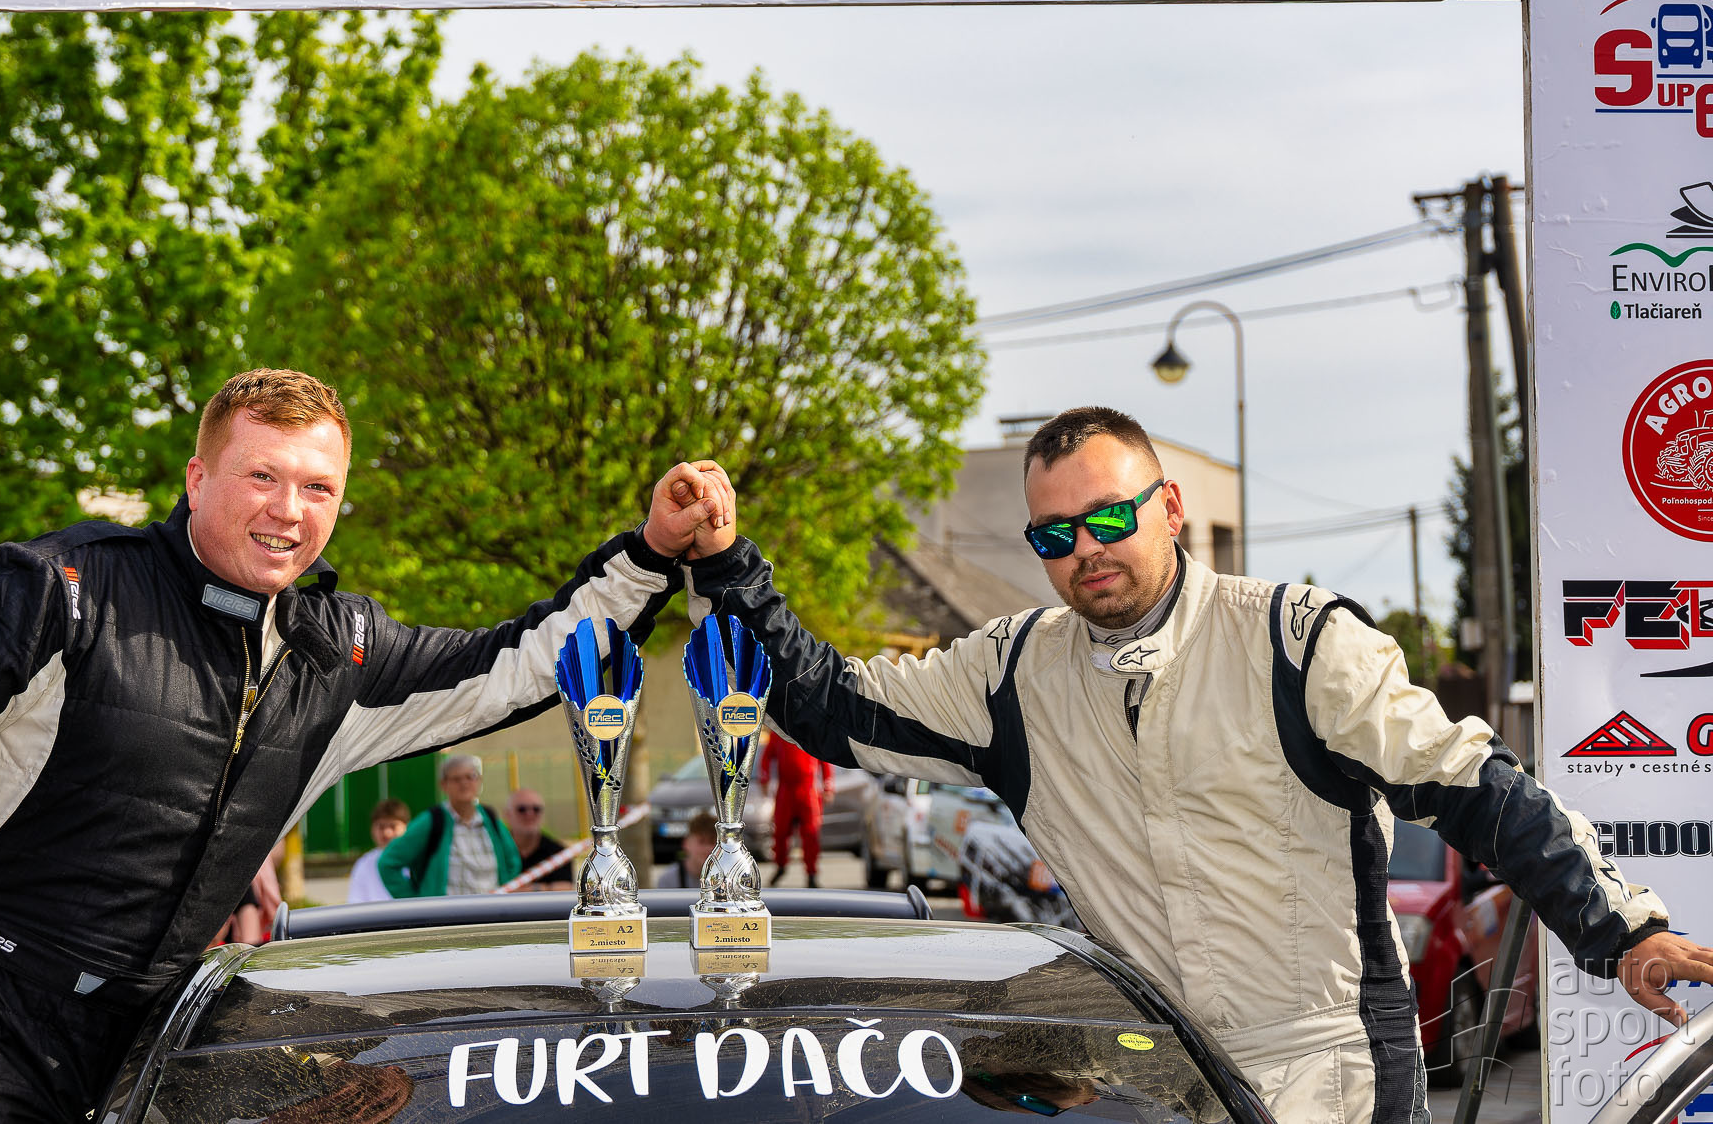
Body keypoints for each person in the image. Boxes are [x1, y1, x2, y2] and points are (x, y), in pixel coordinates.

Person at [662, 408, 1713, 1124]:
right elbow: (826, 701)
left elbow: (1474, 786)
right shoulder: (1009, 672)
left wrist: (1618, 928)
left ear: (1168, 508)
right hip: (1148, 1071)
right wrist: (726, 560)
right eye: (1054, 535)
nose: (1087, 548)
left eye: (1110, 517)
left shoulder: (1295, 640)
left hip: (1325, 1062)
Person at [0, 367, 735, 1122]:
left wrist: (651, 552)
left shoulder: (341, 651)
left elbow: (520, 663)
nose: (289, 509)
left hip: (147, 1037)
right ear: (197, 479)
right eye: (262, 476)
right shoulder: (62, 589)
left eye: (317, 486)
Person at [377, 756, 520, 897]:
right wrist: (415, 902)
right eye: (456, 779)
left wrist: (504, 893)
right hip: (447, 911)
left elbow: (512, 861)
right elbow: (388, 863)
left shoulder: (490, 818)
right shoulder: (432, 821)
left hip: (491, 910)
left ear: (479, 781)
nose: (464, 783)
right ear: (443, 785)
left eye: (470, 777)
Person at [757, 732, 833, 887]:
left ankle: (811, 873)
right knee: (780, 832)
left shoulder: (812, 731)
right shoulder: (778, 733)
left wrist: (828, 786)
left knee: (811, 834)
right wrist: (764, 779)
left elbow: (825, 760)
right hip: (786, 791)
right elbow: (766, 757)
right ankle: (780, 865)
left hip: (808, 791)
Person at [504, 788, 573, 891]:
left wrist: (532, 889)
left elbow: (566, 888)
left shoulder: (558, 852)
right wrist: (547, 888)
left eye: (536, 809)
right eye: (522, 809)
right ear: (507, 814)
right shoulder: (496, 850)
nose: (530, 814)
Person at [346, 801, 410, 904]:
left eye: (393, 826)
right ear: (372, 829)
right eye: (381, 826)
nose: (387, 833)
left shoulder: (419, 860)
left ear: (407, 827)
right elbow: (355, 903)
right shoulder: (363, 864)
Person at [652, 811, 717, 888]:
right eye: (701, 841)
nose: (707, 848)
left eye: (712, 842)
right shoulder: (668, 880)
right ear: (686, 843)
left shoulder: (727, 878)